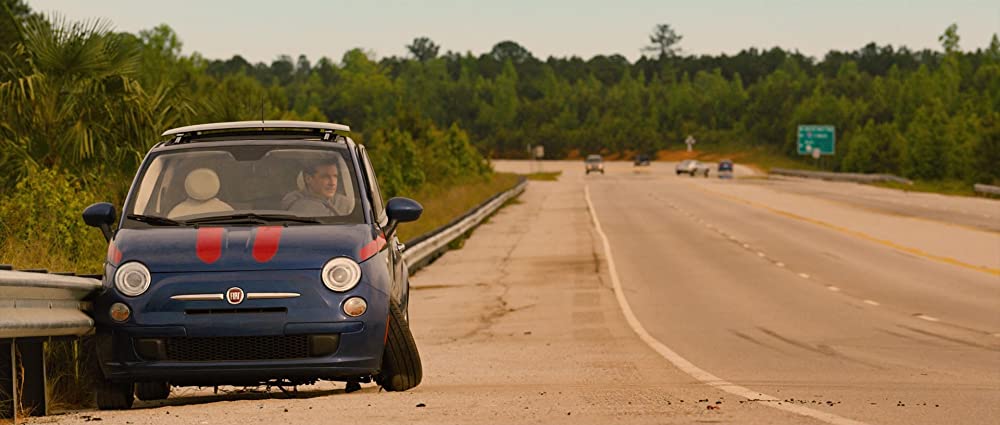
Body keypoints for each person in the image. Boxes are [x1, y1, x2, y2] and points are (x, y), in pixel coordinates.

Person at [281, 157, 352, 216]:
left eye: (335, 176)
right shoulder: (298, 205)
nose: (332, 183)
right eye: (325, 176)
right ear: (308, 179)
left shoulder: (345, 203)